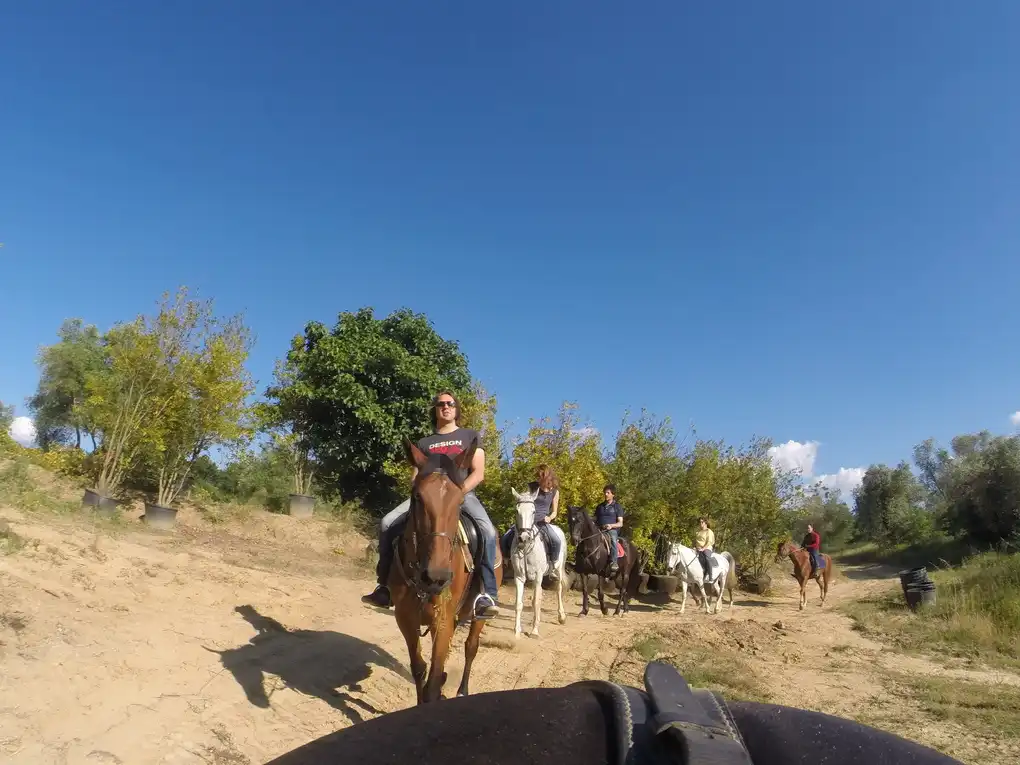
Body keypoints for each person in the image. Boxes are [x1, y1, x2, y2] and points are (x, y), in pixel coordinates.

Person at [361, 391, 500, 620]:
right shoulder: (425, 443)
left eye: (450, 403)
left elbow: (479, 472)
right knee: (387, 523)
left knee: (487, 531)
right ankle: (384, 586)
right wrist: (422, 492)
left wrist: (459, 492)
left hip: (462, 495)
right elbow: (415, 476)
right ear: (435, 409)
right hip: (428, 498)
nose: (446, 407)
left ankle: (486, 595)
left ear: (457, 408)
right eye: (441, 404)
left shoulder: (469, 436)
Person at [500, 465, 562, 565]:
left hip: (542, 522)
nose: (537, 479)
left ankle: (553, 562)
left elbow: (554, 512)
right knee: (505, 538)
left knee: (556, 540)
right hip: (527, 521)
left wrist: (549, 518)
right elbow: (524, 500)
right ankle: (507, 560)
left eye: (539, 477)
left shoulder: (555, 492)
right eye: (537, 476)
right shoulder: (531, 487)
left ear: (547, 477)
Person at [593, 484, 624, 574]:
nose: (606, 494)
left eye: (608, 493)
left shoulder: (617, 507)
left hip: (611, 530)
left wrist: (611, 526)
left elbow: (620, 523)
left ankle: (613, 562)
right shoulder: (599, 507)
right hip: (599, 529)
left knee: (613, 540)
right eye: (605, 492)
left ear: (613, 494)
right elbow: (595, 519)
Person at [694, 517, 716, 583]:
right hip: (698, 549)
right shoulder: (698, 532)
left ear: (705, 523)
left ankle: (710, 576)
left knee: (707, 558)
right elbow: (696, 541)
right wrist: (695, 547)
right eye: (700, 522)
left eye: (702, 522)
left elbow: (709, 542)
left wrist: (703, 548)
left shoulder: (709, 531)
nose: (700, 523)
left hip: (706, 548)